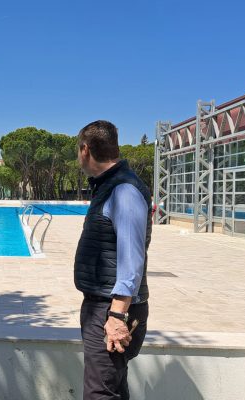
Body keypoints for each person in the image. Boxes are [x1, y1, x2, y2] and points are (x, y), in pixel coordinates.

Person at [74, 120, 152, 400]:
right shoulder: (109, 187)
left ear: (85, 150)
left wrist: (117, 315)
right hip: (105, 306)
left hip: (112, 310)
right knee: (114, 387)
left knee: (100, 393)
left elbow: (132, 258)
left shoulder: (123, 191)